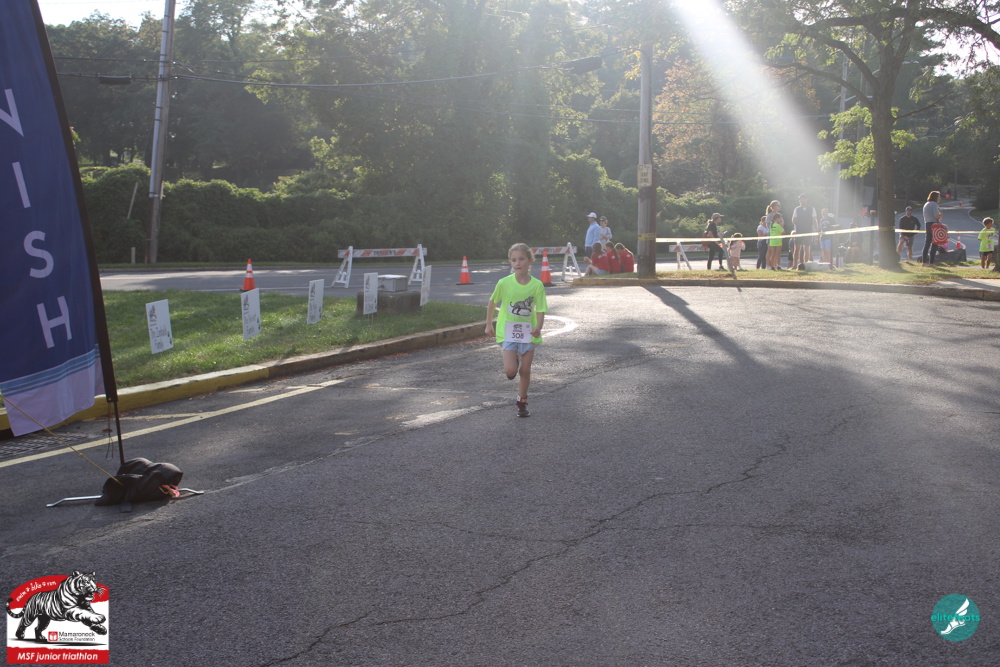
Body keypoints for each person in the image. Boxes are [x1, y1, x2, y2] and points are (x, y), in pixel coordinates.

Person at [485, 243, 547, 418]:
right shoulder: (504, 283)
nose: (517, 263)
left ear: (530, 261)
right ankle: (514, 360)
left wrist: (538, 327)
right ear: (510, 262)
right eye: (514, 260)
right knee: (511, 371)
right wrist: (488, 324)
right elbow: (492, 302)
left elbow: (541, 309)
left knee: (525, 371)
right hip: (508, 333)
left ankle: (522, 401)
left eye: (521, 259)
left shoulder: (537, 285)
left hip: (528, 334)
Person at [791, 194, 818, 267]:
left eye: (802, 199)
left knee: (807, 248)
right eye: (800, 199)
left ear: (806, 199)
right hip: (799, 230)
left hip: (808, 230)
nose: (801, 200)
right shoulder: (797, 209)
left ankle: (805, 265)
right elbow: (793, 220)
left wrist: (816, 230)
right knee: (797, 248)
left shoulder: (812, 209)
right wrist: (797, 225)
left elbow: (814, 220)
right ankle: (794, 265)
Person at [921, 191, 942, 264]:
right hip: (934, 224)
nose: (940, 198)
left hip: (927, 223)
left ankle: (924, 262)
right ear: (935, 197)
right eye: (939, 196)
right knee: (935, 243)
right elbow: (936, 216)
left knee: (927, 243)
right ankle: (931, 262)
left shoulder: (926, 204)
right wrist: (940, 215)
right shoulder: (934, 204)